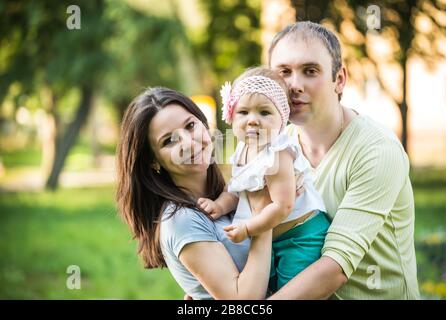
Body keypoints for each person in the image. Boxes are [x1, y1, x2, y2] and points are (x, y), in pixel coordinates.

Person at [265, 21, 420, 299]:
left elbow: (335, 267)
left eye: (310, 71)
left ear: (340, 79)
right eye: (284, 72)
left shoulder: (376, 150)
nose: (294, 85)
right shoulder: (276, 147)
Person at [116, 87, 273, 300]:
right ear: (153, 161)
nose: (189, 143)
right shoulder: (182, 219)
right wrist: (266, 216)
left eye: (190, 126)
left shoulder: (228, 194)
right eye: (169, 141)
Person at [197, 66, 330, 292]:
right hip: (271, 235)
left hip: (301, 234)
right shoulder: (242, 149)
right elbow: (236, 188)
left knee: (291, 290)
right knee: (263, 288)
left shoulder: (277, 154)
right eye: (243, 112)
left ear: (282, 118)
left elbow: (282, 206)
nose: (253, 120)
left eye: (265, 113)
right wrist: (219, 205)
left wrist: (248, 229)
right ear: (231, 116)